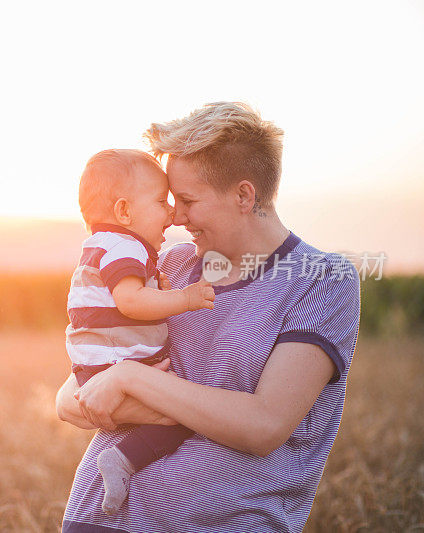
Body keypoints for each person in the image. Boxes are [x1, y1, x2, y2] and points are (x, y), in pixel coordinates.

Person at [57, 102, 361, 533]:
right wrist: (124, 387)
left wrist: (132, 380)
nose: (175, 217)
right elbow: (72, 397)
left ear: (243, 195)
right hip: (97, 520)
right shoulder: (170, 267)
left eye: (187, 200)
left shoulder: (322, 280)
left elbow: (264, 424)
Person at [66, 148, 215, 514]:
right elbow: (131, 301)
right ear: (124, 212)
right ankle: (123, 460)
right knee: (181, 416)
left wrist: (156, 285)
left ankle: (123, 460)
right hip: (113, 367)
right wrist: (184, 298)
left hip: (97, 368)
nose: (171, 213)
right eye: (161, 202)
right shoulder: (124, 246)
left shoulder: (102, 246)